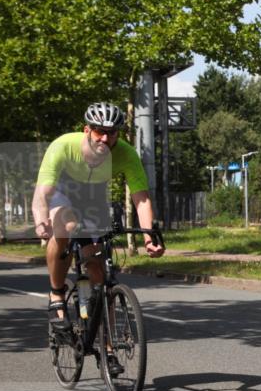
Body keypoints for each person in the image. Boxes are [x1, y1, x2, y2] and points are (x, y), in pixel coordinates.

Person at [32, 102, 165, 368]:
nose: (105, 138)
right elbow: (42, 193)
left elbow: (141, 199)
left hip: (92, 198)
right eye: (99, 131)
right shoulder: (63, 146)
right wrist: (41, 222)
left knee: (99, 274)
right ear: (87, 130)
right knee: (66, 226)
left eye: (112, 133)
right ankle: (56, 294)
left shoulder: (126, 154)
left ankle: (108, 348)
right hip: (62, 193)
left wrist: (149, 237)